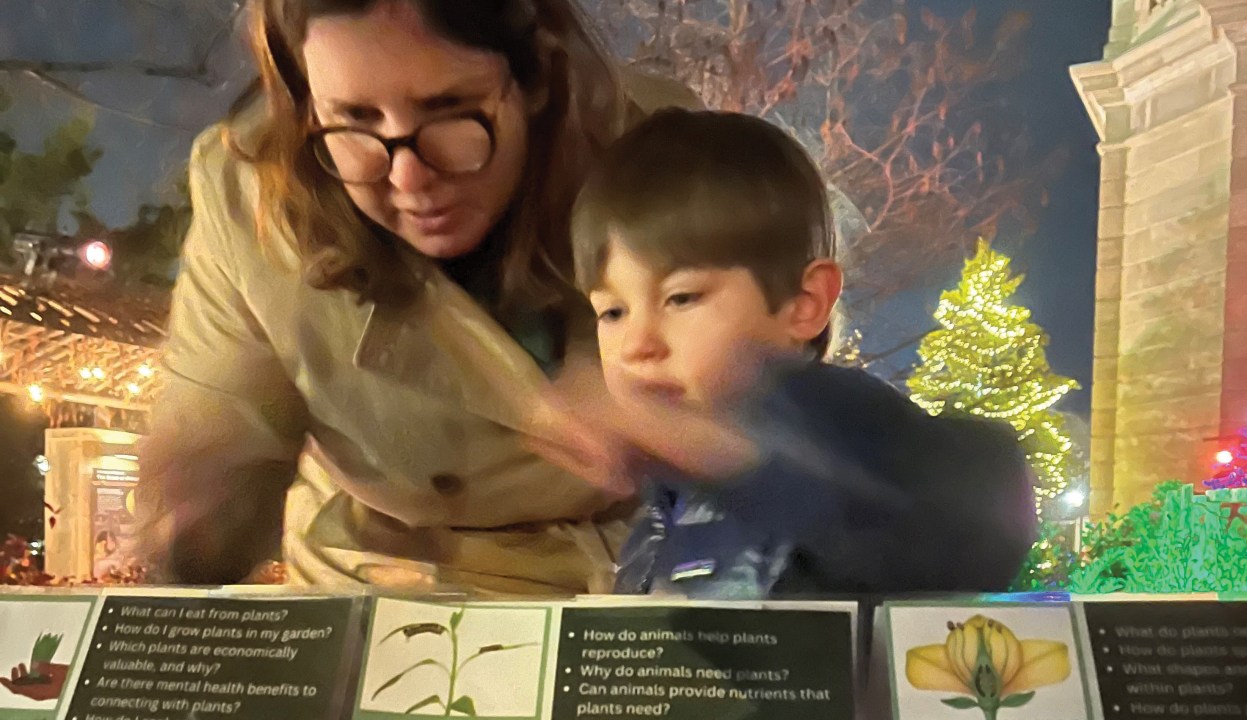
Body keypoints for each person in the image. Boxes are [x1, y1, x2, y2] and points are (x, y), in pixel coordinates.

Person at [138, 0, 700, 594]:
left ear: (536, 75)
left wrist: (680, 415)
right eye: (353, 119)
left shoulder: (661, 151)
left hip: (629, 577)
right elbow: (220, 438)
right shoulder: (249, 194)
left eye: (451, 112)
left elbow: (772, 397)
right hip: (377, 579)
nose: (408, 180)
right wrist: (192, 514)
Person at [566, 109, 1039, 599]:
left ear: (804, 303)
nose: (638, 346)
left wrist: (731, 455)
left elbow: (962, 529)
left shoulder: (850, 437)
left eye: (681, 298)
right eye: (612, 312)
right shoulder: (666, 503)